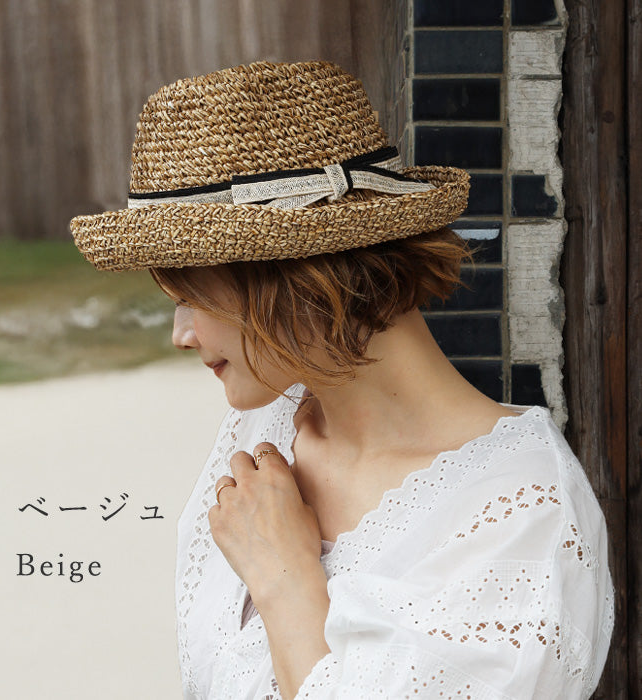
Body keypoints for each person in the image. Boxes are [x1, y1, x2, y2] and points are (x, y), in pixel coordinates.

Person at [70, 61, 614, 699]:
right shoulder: (263, 429)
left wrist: (285, 579)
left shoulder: (523, 518)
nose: (181, 334)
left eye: (191, 294)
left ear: (297, 273)